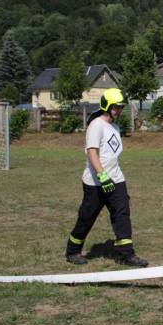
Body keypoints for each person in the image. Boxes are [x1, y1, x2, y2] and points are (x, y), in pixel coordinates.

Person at [65, 88, 148, 267]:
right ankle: (72, 251)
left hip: (116, 179)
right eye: (115, 107)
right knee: (87, 217)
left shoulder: (115, 127)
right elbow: (92, 152)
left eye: (120, 107)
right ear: (107, 106)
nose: (118, 110)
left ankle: (127, 254)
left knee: (122, 213)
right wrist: (102, 175)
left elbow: (112, 155)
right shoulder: (96, 125)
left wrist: (111, 177)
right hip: (95, 182)